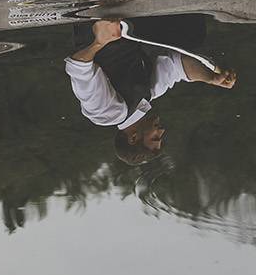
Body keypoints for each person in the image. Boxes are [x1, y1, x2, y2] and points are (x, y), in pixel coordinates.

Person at [66, 15, 237, 165]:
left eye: (155, 137)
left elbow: (78, 67)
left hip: (96, 20)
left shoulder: (106, 113)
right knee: (193, 36)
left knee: (191, 35)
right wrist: (211, 78)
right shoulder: (148, 95)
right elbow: (177, 66)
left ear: (133, 137)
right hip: (125, 22)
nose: (161, 131)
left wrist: (99, 42)